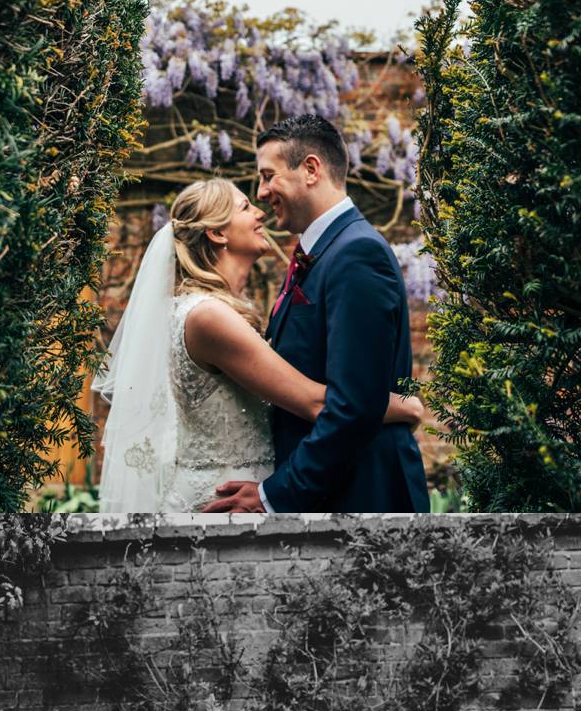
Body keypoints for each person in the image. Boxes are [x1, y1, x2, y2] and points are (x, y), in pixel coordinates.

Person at [96, 177, 424, 516]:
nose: (260, 211)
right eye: (245, 207)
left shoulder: (215, 311)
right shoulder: (208, 316)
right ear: (217, 233)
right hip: (224, 500)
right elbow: (312, 402)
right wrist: (405, 407)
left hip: (244, 494)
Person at [200, 116, 432, 514]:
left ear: (310, 169)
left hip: (363, 496)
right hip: (333, 495)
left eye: (268, 176)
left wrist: (275, 494)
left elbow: (353, 408)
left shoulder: (356, 253)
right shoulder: (323, 253)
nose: (262, 192)